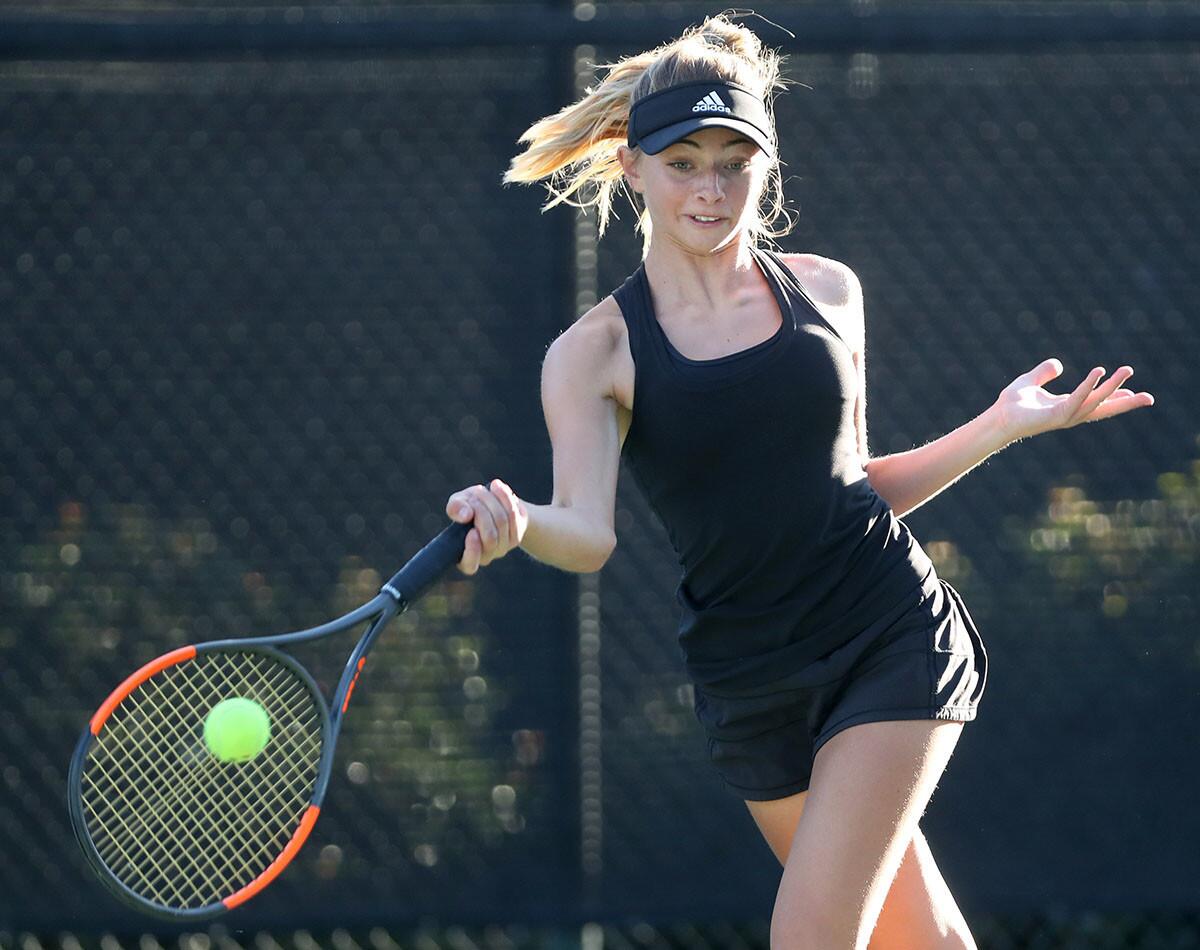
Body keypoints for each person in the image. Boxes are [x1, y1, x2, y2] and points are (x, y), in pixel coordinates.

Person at [443, 13, 1155, 949]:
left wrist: (1001, 426)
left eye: (734, 161)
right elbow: (588, 532)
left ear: (766, 166)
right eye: (684, 161)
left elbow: (852, 489)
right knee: (924, 941)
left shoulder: (827, 294)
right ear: (633, 168)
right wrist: (521, 521)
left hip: (884, 636)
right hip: (752, 684)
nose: (710, 188)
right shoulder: (593, 354)